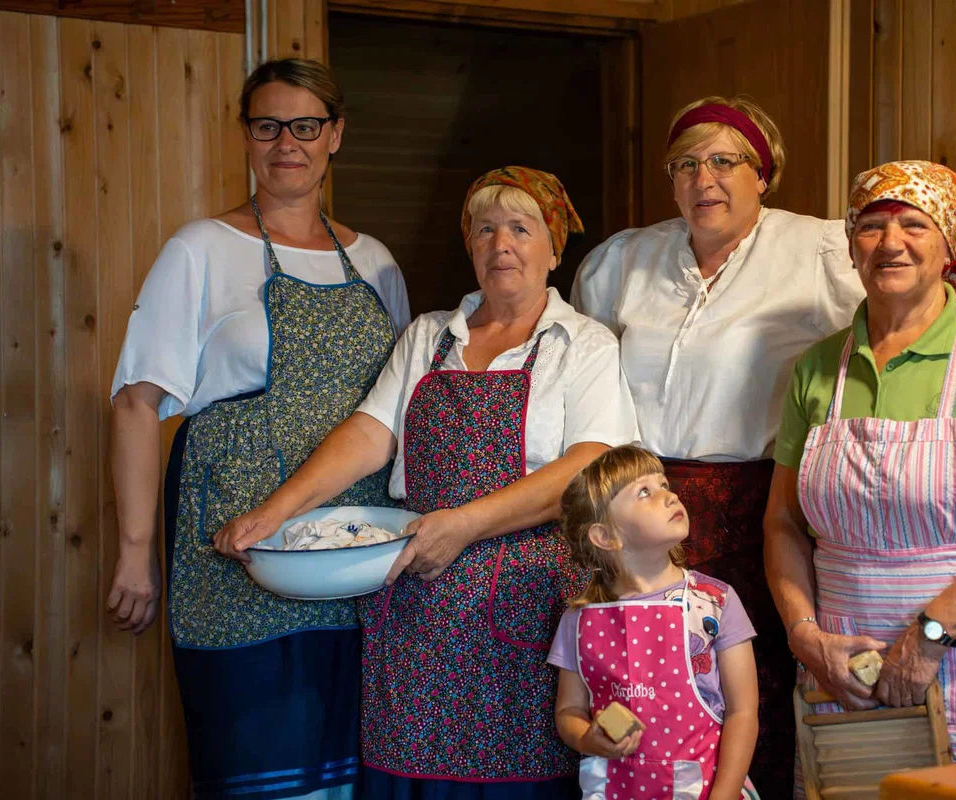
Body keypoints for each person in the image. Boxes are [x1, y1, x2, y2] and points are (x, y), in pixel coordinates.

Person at [213, 166, 639, 798]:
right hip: (416, 604)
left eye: (522, 229)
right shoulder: (428, 336)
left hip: (524, 607)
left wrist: (463, 525)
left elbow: (589, 465)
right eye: (485, 229)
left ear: (554, 248)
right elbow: (368, 434)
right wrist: (275, 512)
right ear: (467, 244)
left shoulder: (584, 346)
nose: (501, 245)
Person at [107, 58, 409, 798]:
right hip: (232, 544)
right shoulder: (199, 250)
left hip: (352, 548)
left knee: (352, 754)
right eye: (267, 125)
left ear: (334, 135)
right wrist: (136, 551)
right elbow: (136, 403)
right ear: (245, 136)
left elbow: (403, 407)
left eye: (305, 126)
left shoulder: (375, 263)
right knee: (253, 754)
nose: (287, 143)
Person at [571, 95, 866, 795]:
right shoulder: (623, 261)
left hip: (757, 509)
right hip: (636, 511)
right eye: (686, 164)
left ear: (762, 175)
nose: (705, 179)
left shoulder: (819, 252)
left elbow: (892, 328)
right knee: (635, 694)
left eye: (725, 162)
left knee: (743, 694)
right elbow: (578, 367)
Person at [765, 161, 956, 795]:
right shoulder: (818, 369)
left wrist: (929, 635)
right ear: (851, 247)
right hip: (842, 673)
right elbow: (783, 523)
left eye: (913, 224)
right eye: (872, 227)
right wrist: (805, 635)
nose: (891, 242)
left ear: (947, 243)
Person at [551, 445, 760, 800]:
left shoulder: (716, 601)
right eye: (645, 492)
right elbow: (568, 710)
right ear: (606, 537)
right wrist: (589, 739)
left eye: (664, 483)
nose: (669, 495)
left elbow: (743, 712)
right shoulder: (578, 619)